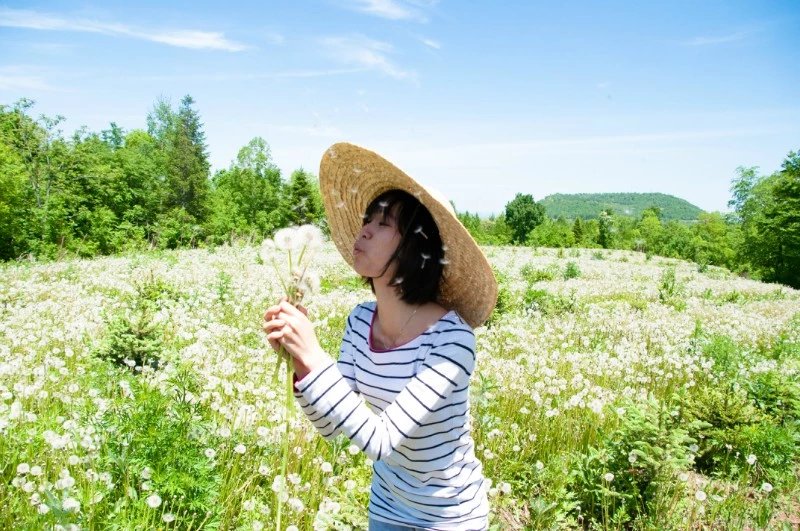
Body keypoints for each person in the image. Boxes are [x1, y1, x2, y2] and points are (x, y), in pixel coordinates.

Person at [263, 143, 498, 531]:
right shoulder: (359, 322)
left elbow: (381, 440)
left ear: (415, 247)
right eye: (367, 219)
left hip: (451, 515)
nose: (364, 229)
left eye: (383, 223)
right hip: (388, 506)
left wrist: (316, 355)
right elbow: (333, 431)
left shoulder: (452, 340)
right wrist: (302, 365)